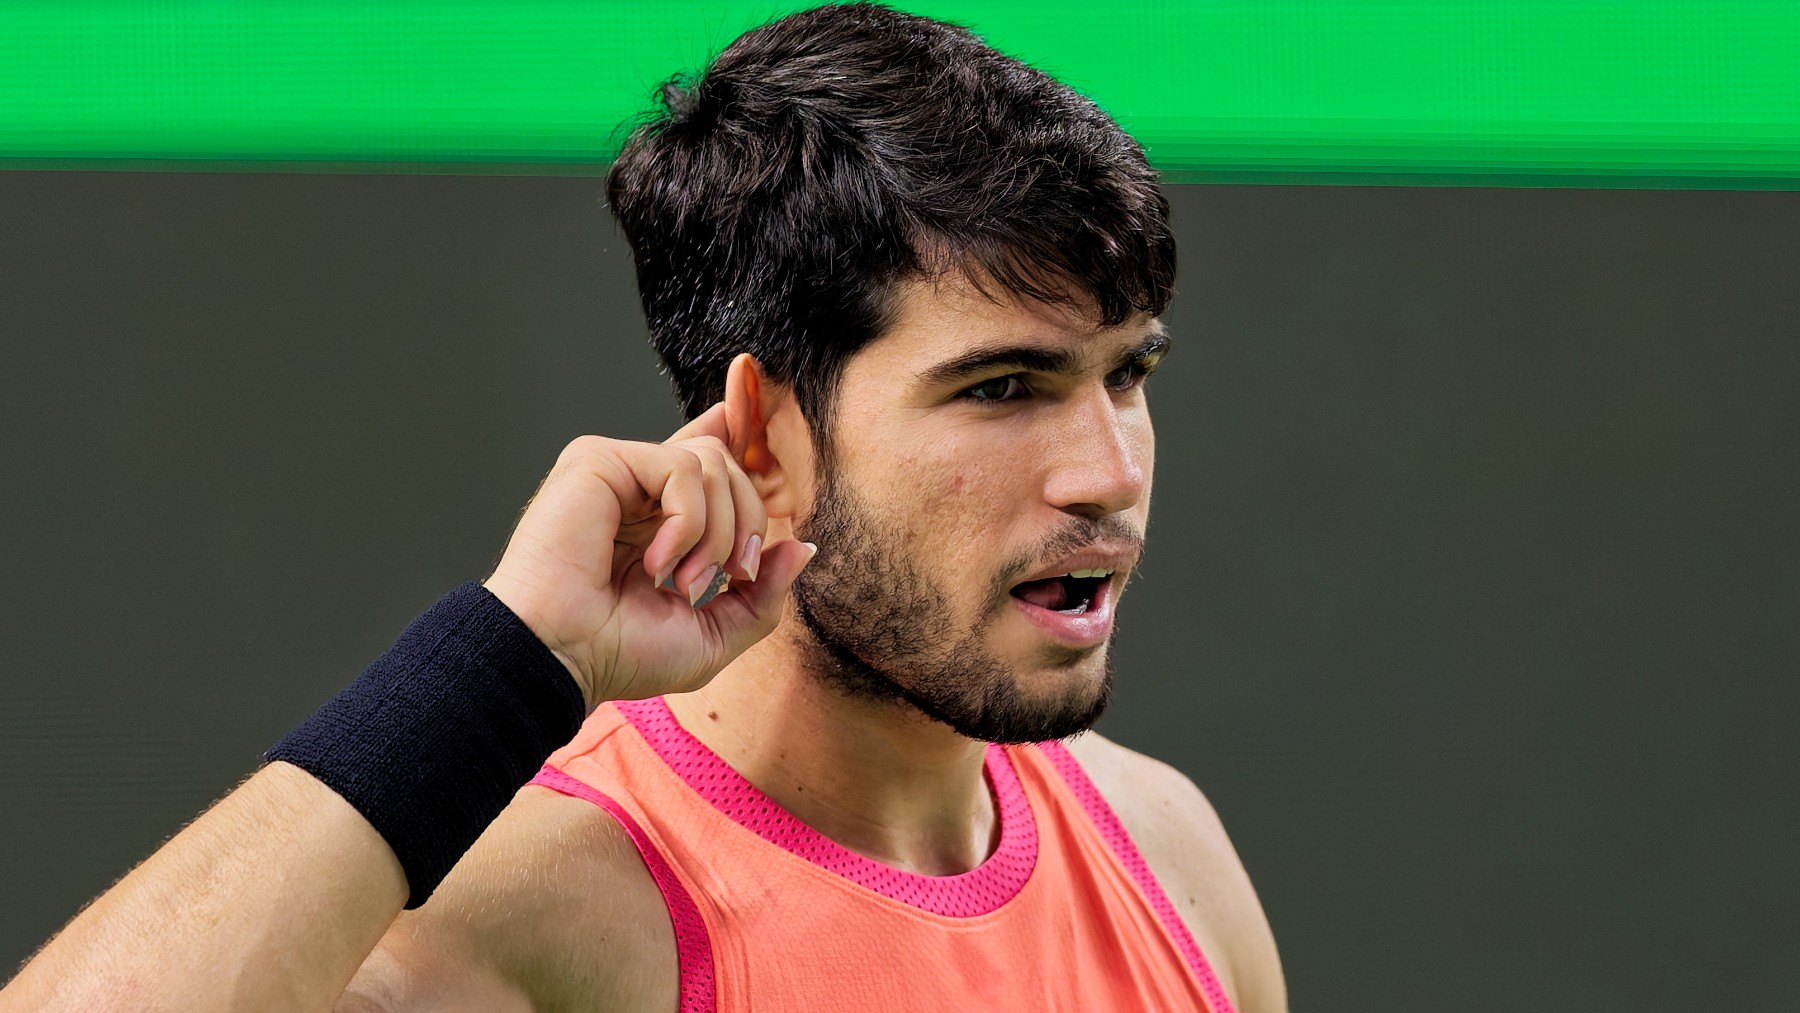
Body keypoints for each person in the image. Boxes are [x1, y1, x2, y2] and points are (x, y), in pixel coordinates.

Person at [1, 4, 1285, 1010]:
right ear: (764, 435)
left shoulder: (1165, 853)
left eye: (1129, 374)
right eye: (1004, 387)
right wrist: (510, 658)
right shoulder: (560, 909)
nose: (1108, 470)